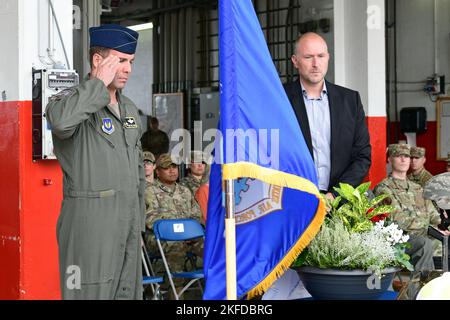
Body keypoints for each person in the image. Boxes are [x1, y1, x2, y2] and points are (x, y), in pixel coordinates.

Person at [46, 24, 145, 300]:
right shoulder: (66, 101)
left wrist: (139, 224)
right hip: (89, 232)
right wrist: (98, 83)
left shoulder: (129, 109)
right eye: (120, 61)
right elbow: (62, 122)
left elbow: (137, 171)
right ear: (98, 61)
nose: (127, 69)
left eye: (131, 62)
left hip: (127, 228)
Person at [284, 32, 371, 200]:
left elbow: (362, 156)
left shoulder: (350, 100)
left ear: (328, 58)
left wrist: (336, 195)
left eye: (321, 56)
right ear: (295, 61)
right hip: (293, 201)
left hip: (339, 203)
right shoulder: (279, 99)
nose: (316, 64)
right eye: (308, 57)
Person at [373, 144, 446, 271]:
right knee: (426, 244)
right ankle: (422, 287)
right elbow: (399, 221)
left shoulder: (417, 188)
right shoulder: (384, 188)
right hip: (402, 239)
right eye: (398, 156)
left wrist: (443, 226)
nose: (403, 160)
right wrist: (430, 229)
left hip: (426, 235)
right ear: (389, 159)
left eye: (406, 156)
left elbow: (433, 215)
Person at [145, 153, 202, 298]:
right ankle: (176, 292)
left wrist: (189, 233)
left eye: (174, 167)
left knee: (213, 246)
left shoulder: (185, 191)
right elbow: (151, 219)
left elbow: (196, 216)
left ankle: (218, 286)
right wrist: (180, 233)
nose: (172, 171)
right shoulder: (150, 192)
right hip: (161, 239)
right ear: (157, 172)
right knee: (176, 245)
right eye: (167, 168)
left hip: (189, 237)